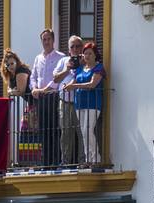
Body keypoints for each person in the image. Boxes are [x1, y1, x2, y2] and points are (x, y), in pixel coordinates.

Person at [62, 42, 105, 166]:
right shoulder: (80, 69)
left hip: (93, 104)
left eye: (90, 53)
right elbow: (73, 81)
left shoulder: (99, 68)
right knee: (83, 131)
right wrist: (67, 85)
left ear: (95, 55)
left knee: (88, 130)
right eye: (85, 54)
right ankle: (88, 159)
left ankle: (95, 158)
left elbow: (92, 84)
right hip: (79, 104)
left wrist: (73, 86)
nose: (87, 56)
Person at [30, 29, 67, 167]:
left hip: (54, 97)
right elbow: (33, 76)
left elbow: (58, 79)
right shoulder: (38, 58)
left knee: (54, 129)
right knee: (43, 129)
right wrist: (34, 88)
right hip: (41, 98)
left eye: (48, 39)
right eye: (44, 39)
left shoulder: (61, 57)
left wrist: (45, 89)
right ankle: (45, 162)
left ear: (53, 40)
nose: (46, 42)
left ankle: (56, 160)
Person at [52, 35, 85, 166]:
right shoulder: (63, 61)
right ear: (69, 49)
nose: (75, 49)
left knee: (83, 133)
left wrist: (83, 64)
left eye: (78, 46)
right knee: (66, 134)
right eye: (73, 47)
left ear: (82, 47)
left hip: (82, 103)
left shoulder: (87, 59)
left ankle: (83, 161)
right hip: (65, 102)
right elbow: (55, 79)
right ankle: (65, 162)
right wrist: (67, 69)